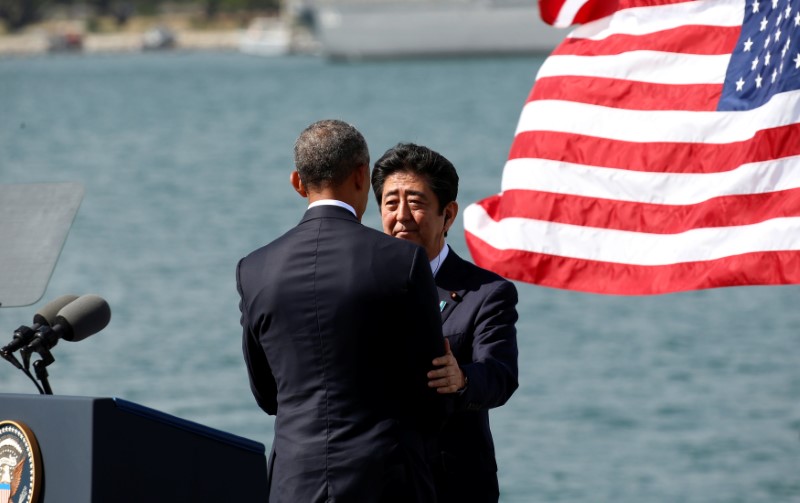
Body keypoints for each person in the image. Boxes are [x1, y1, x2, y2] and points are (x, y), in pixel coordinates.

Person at [236, 121, 448, 503]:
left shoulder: (254, 268)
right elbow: (431, 392)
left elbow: (267, 394)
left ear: (298, 183)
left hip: (294, 481)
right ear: (363, 175)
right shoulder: (403, 262)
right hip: (387, 479)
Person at [372, 142, 519, 503]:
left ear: (448, 214)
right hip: (375, 481)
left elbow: (501, 375)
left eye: (417, 202)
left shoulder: (487, 291)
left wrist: (462, 379)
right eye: (391, 203)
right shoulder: (361, 284)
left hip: (452, 485)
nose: (402, 215)